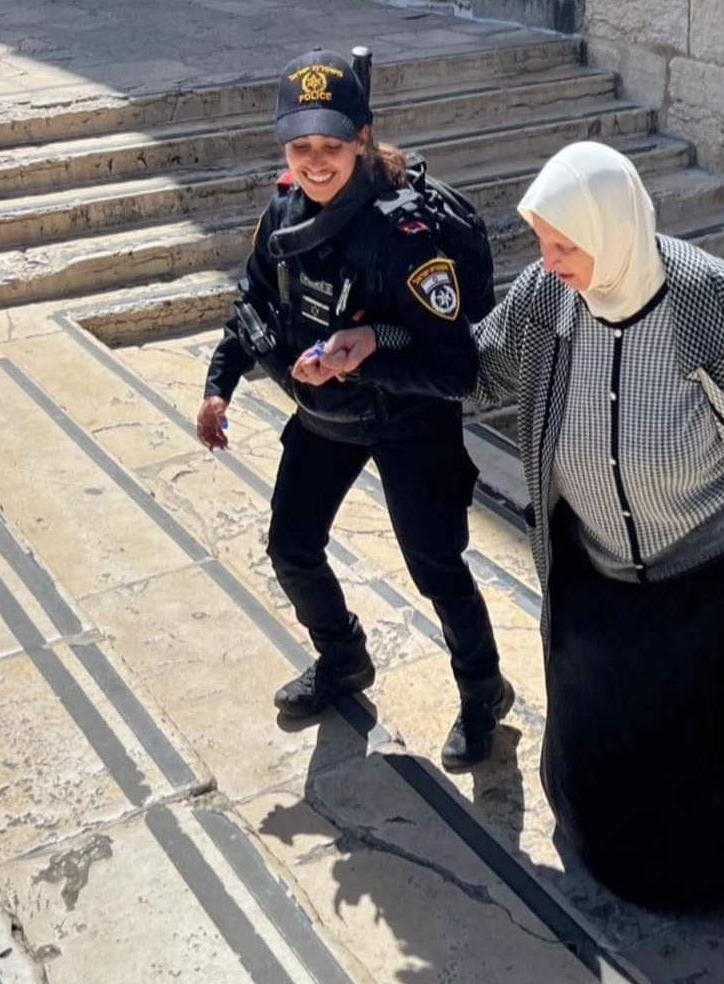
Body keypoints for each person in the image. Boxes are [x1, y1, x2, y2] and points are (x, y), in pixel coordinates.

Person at [317, 141, 724, 905]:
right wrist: (376, 348)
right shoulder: (548, 297)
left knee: (700, 756)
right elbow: (478, 367)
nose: (549, 258)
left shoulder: (716, 304)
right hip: (596, 574)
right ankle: (600, 855)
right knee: (598, 746)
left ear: (616, 230)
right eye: (543, 241)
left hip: (710, 577)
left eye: (565, 243)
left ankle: (712, 881)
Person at [195, 50, 513, 772]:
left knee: (436, 569)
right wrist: (220, 385)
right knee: (291, 548)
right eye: (300, 146)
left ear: (362, 141)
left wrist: (372, 346)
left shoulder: (402, 238)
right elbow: (252, 303)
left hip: (408, 423)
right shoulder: (281, 210)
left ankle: (482, 690)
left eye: (331, 147)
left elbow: (458, 366)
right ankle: (342, 656)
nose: (314, 162)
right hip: (327, 415)